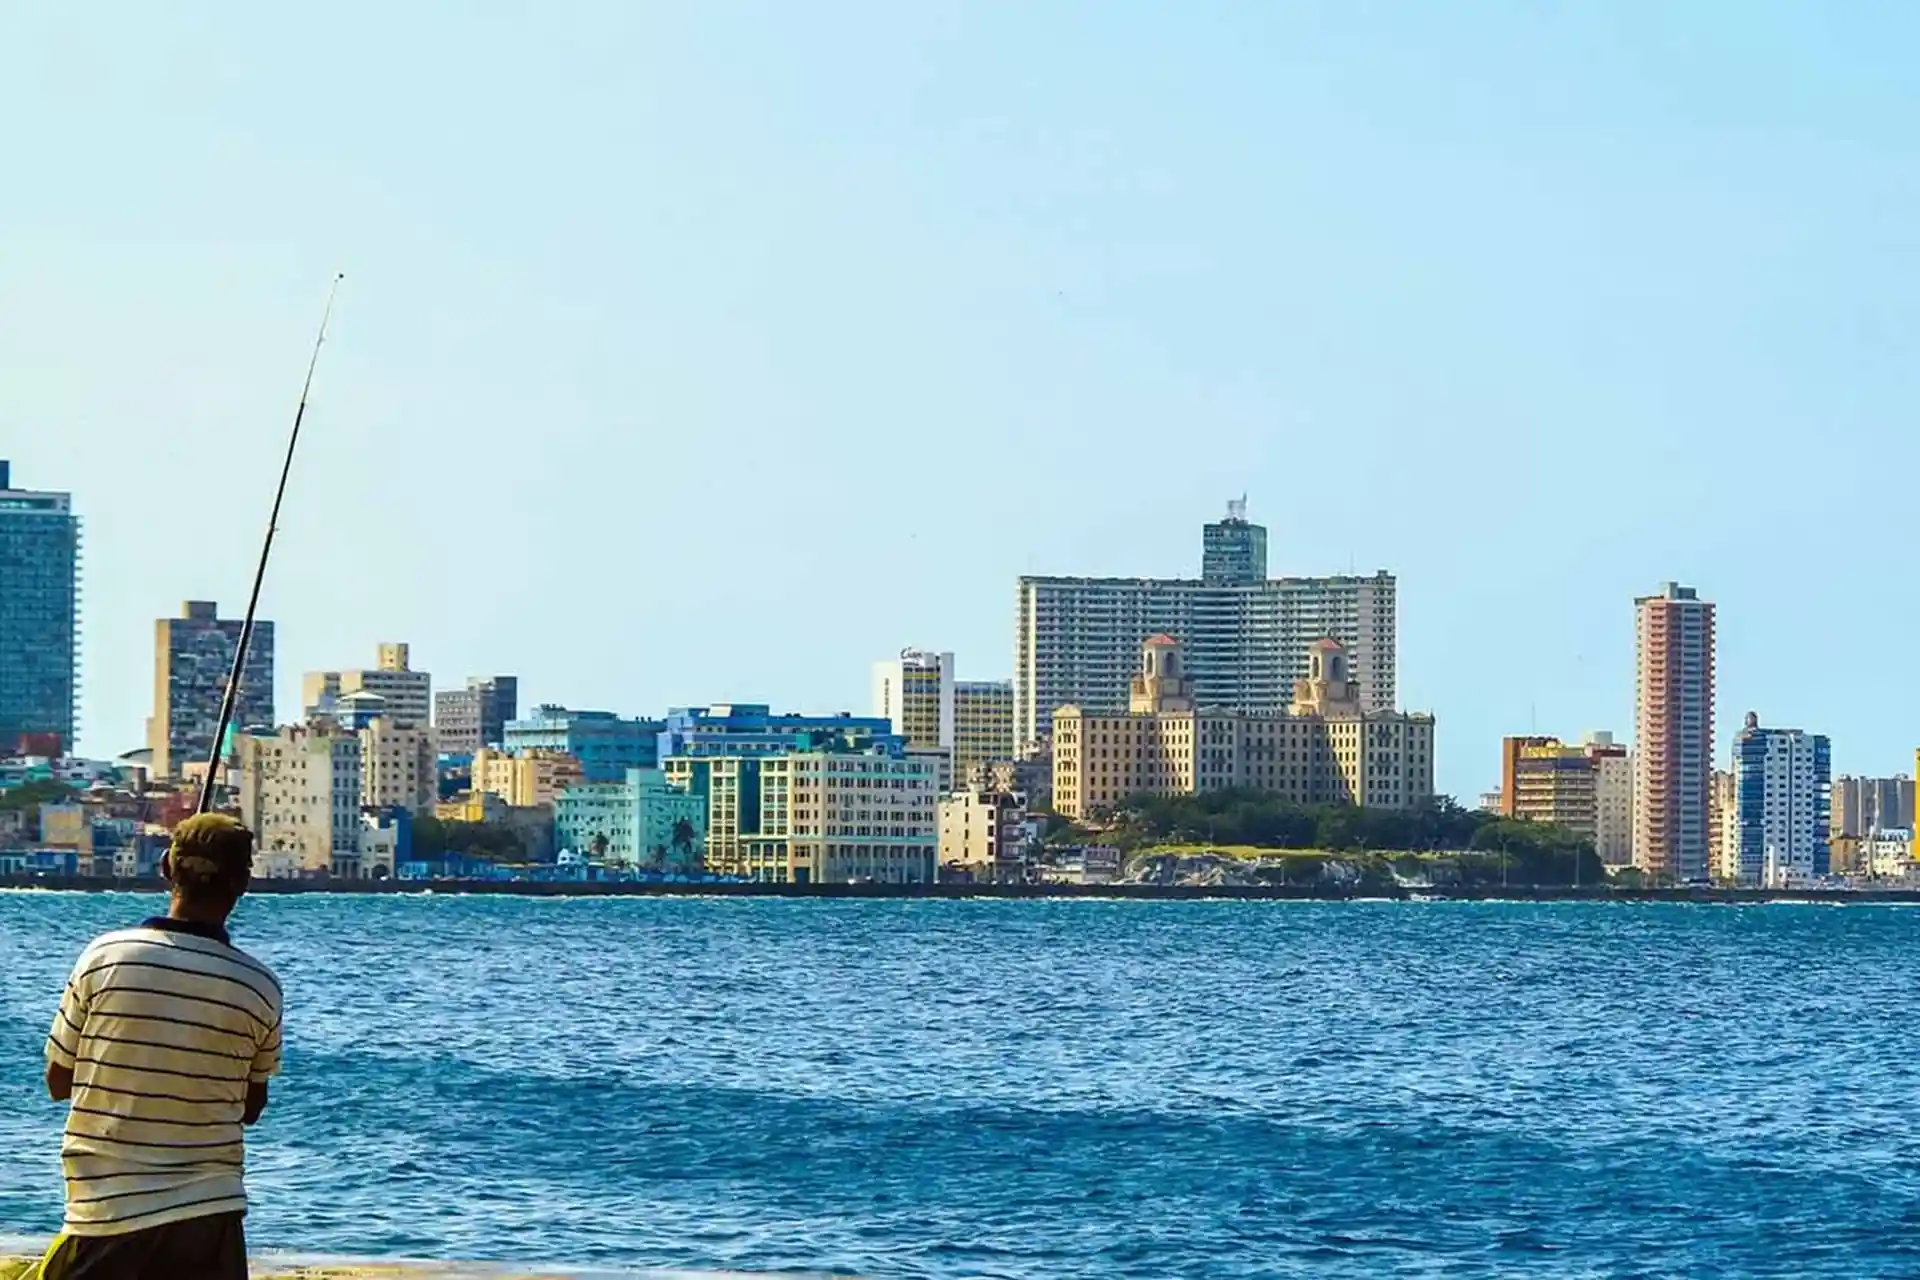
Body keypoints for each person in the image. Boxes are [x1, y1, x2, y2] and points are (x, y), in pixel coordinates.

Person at [30, 813, 283, 1280]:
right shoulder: (260, 986)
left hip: (106, 1212)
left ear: (166, 867)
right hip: (211, 1220)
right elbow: (250, 1106)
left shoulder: (102, 958)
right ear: (243, 883)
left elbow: (57, 1081)